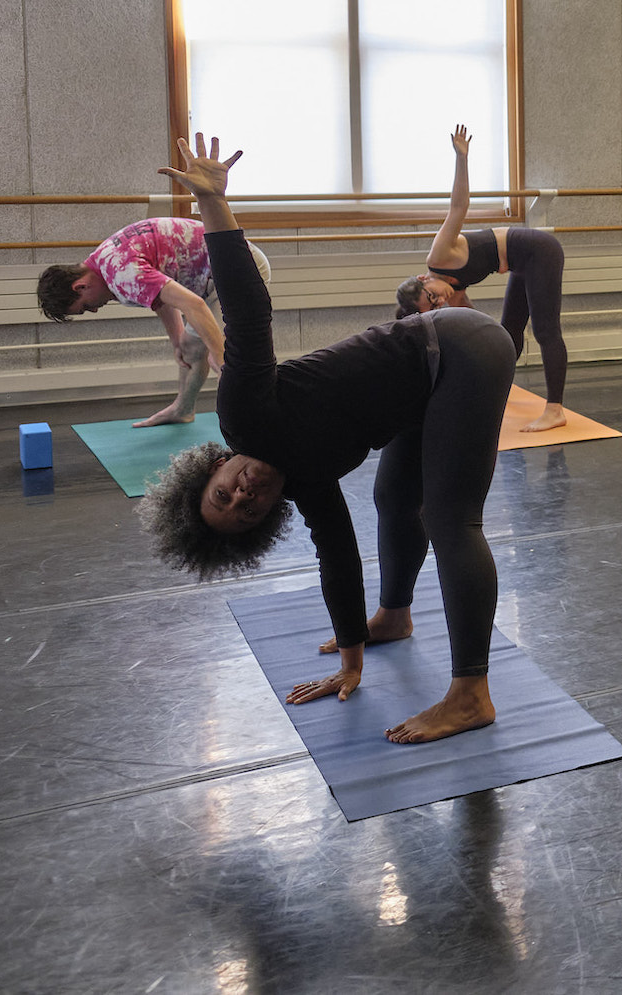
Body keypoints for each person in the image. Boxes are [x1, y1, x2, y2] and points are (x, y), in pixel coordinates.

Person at [141, 134, 518, 744]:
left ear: (212, 468)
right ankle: (393, 618)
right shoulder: (303, 482)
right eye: (245, 515)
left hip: (459, 348)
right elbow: (337, 556)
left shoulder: (243, 412)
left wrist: (214, 204)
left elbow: (246, 309)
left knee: (451, 520)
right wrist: (351, 658)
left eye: (222, 495)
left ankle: (472, 693)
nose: (243, 498)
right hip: (422, 386)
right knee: (394, 499)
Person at [394, 126, 570, 432]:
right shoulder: (452, 294)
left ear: (424, 277)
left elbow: (458, 206)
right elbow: (478, 329)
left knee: (545, 331)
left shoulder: (439, 255)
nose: (442, 301)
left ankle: (555, 410)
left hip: (538, 251)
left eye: (433, 296)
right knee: (506, 333)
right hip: (519, 263)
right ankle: (501, 388)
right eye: (434, 308)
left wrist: (461, 158)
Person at [36, 217, 268, 428]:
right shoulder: (101, 261)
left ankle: (254, 427)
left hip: (240, 267)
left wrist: (219, 356)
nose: (94, 310)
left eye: (85, 307)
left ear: (80, 286)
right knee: (190, 348)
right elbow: (160, 294)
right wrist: (177, 339)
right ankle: (183, 409)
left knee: (225, 358)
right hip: (216, 274)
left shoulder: (122, 274)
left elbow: (194, 305)